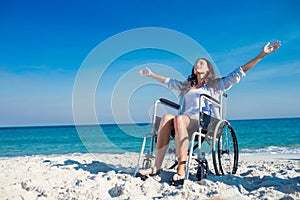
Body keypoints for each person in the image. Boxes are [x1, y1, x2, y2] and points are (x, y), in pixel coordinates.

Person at [137, 41, 281, 185]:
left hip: (205, 122)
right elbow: (169, 81)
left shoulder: (215, 85)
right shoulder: (185, 87)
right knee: (167, 117)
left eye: (201, 63)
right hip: (183, 121)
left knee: (180, 119)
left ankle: (181, 169)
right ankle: (156, 167)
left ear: (208, 70)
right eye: (195, 64)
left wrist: (261, 55)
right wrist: (151, 75)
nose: (197, 65)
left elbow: (239, 72)